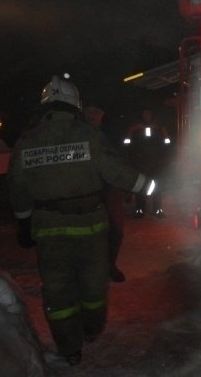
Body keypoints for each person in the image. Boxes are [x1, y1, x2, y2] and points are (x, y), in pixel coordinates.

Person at [7, 76, 155, 366]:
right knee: (93, 287)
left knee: (57, 290)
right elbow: (117, 171)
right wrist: (150, 187)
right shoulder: (89, 135)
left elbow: (17, 187)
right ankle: (91, 329)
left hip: (49, 228)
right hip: (91, 226)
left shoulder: (27, 141)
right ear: (76, 104)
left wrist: (23, 222)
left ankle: (69, 348)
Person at [83, 104, 128, 283]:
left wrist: (127, 185)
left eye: (97, 114)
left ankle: (110, 265)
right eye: (90, 114)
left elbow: (121, 161)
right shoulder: (77, 136)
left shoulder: (110, 136)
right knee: (90, 232)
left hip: (110, 188)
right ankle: (91, 268)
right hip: (87, 189)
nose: (94, 117)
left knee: (116, 229)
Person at [124, 109, 170, 217]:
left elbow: (167, 143)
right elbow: (127, 144)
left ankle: (157, 210)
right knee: (140, 186)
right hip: (141, 162)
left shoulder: (158, 127)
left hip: (155, 162)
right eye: (144, 113)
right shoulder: (136, 128)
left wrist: (164, 133)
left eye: (149, 113)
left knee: (156, 186)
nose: (146, 116)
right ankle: (140, 210)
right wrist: (131, 132)